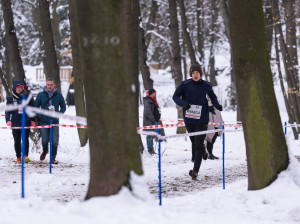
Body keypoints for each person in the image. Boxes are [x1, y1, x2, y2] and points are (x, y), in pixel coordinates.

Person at [173, 64, 222, 180]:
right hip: (189, 119)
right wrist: (184, 104)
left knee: (198, 144)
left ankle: (195, 171)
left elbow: (213, 97)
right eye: (193, 73)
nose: (195, 75)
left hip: (202, 119)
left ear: (201, 74)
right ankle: (203, 150)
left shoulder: (206, 85)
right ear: (191, 74)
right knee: (195, 143)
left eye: (198, 73)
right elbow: (175, 97)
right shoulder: (185, 85)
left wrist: (217, 105)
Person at [34, 78, 66, 164]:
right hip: (44, 121)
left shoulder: (59, 95)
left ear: (54, 85)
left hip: (55, 121)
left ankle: (53, 157)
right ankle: (45, 151)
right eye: (48, 84)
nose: (50, 86)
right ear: (46, 85)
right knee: (44, 140)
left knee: (55, 140)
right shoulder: (41, 95)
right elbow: (35, 107)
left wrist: (59, 114)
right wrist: (40, 115)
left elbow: (63, 107)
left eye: (51, 85)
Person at [5, 80, 35, 163]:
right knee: (17, 141)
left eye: (21, 87)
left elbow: (33, 109)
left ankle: (25, 156)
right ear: (14, 88)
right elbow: (7, 111)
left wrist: (32, 120)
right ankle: (18, 157)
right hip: (15, 123)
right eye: (18, 88)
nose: (19, 89)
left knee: (25, 140)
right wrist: (8, 120)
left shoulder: (27, 97)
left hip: (26, 122)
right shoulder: (11, 98)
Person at [143, 88, 161, 155]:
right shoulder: (148, 101)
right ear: (151, 94)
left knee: (153, 135)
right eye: (154, 93)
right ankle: (150, 150)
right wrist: (153, 119)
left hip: (155, 120)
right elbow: (148, 112)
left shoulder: (153, 100)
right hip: (150, 121)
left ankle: (152, 149)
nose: (156, 94)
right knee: (150, 136)